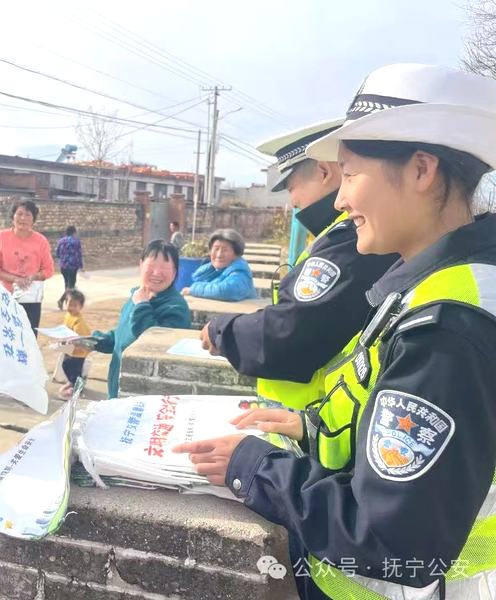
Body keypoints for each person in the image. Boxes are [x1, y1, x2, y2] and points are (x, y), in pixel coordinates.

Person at [177, 64, 496, 598]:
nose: (341, 200)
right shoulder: (436, 287)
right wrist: (310, 426)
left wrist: (255, 467)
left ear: (422, 170)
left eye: (349, 174)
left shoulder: (449, 325)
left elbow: (390, 536)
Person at [201, 120, 396, 410]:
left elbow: (293, 331)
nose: (293, 202)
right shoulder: (342, 235)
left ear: (323, 171)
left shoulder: (349, 241)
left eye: (292, 187)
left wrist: (222, 330)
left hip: (314, 415)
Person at [93, 240, 191, 399]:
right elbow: (122, 336)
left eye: (165, 268)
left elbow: (153, 345)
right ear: (140, 265)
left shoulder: (176, 307)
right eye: (151, 266)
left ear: (174, 273)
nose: (157, 273)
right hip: (118, 387)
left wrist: (142, 305)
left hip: (144, 394)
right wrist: (93, 341)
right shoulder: (138, 296)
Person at [0, 200, 54, 335]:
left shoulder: (41, 241)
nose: (23, 218)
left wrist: (33, 277)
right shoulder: (1, 237)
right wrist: (15, 279)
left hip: (31, 299)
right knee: (6, 337)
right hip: (5, 297)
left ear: (33, 219)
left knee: (28, 338)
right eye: (19, 214)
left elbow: (49, 270)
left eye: (28, 215)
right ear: (13, 217)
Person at [181, 228, 257, 301]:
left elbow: (229, 290)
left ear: (236, 254)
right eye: (216, 249)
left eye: (225, 250)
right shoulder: (214, 270)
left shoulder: (240, 271)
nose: (219, 254)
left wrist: (193, 289)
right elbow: (196, 279)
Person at [58, 288, 91, 400]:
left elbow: (79, 338)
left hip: (79, 351)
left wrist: (70, 341)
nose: (71, 307)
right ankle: (72, 382)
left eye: (75, 305)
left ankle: (78, 389)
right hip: (70, 349)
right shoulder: (68, 315)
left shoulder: (79, 321)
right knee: (66, 365)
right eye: (69, 304)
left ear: (81, 307)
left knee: (75, 370)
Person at [55, 225, 84, 310]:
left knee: (67, 285)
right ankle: (61, 300)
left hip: (63, 266)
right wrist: (81, 266)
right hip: (72, 266)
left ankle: (68, 302)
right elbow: (78, 255)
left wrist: (62, 260)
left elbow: (57, 253)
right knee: (71, 286)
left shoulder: (61, 241)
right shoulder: (76, 241)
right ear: (74, 232)